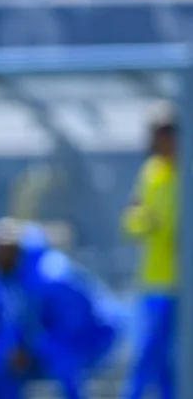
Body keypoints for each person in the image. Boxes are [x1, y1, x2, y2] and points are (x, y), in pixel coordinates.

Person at [0, 219, 118, 399]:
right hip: (44, 340)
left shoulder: (50, 274)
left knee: (60, 355)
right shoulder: (6, 277)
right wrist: (17, 346)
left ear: (13, 248)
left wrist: (29, 347)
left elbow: (72, 324)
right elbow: (13, 319)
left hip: (93, 333)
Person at [122, 101, 178, 399]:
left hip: (180, 284)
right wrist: (151, 221)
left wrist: (152, 221)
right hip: (154, 281)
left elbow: (170, 225)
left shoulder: (184, 173)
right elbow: (132, 221)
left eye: (166, 132)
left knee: (171, 359)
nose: (160, 139)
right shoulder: (151, 172)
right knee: (148, 355)